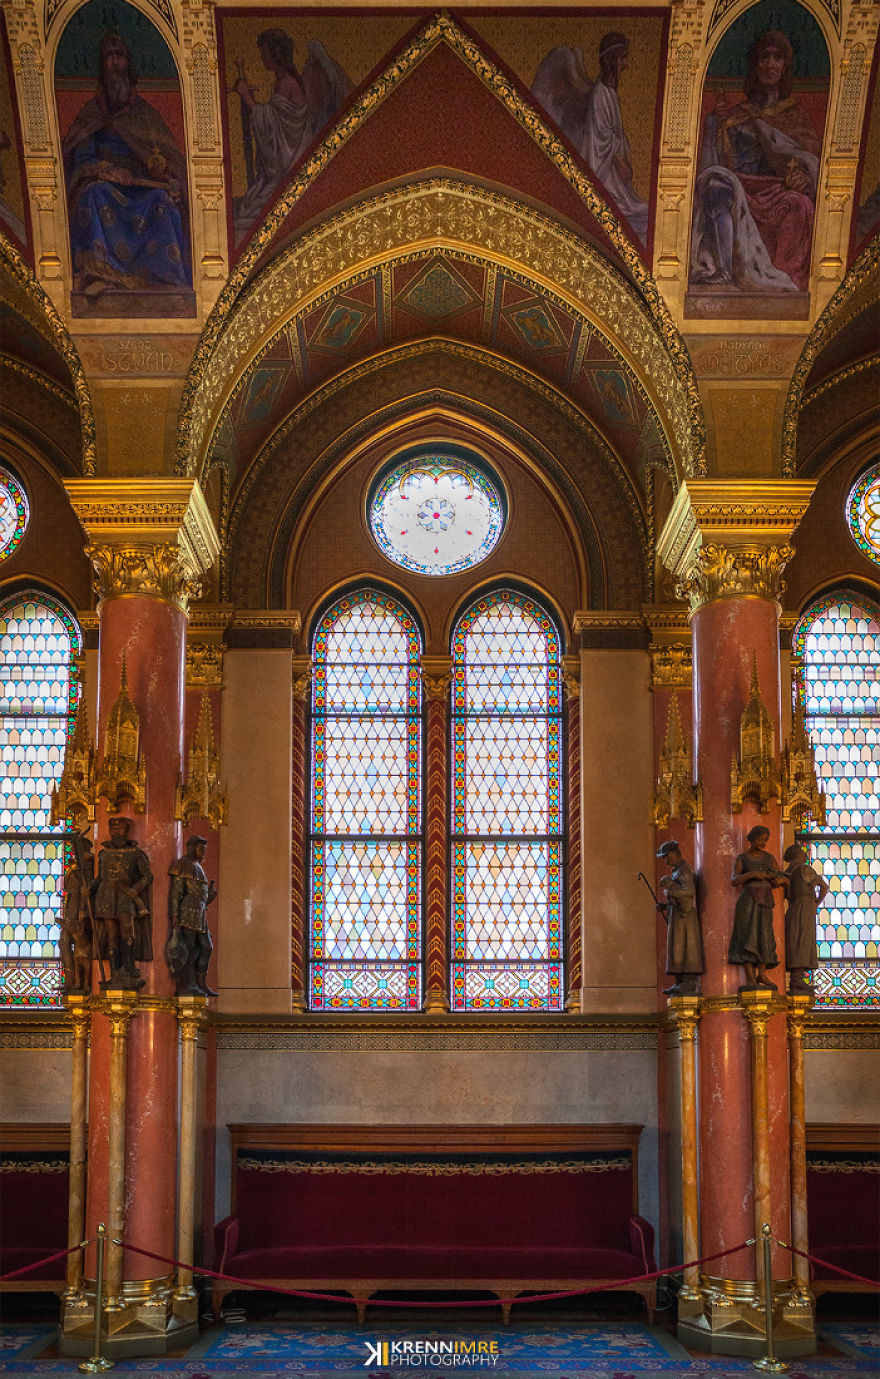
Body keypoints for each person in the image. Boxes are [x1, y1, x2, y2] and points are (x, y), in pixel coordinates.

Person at [61, 31, 191, 299]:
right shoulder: (92, 113)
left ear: (127, 64)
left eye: (119, 56)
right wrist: (105, 170)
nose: (115, 63)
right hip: (106, 186)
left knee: (163, 203)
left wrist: (159, 169)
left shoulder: (144, 115)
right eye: (109, 57)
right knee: (92, 194)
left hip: (141, 190)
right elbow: (80, 156)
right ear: (102, 66)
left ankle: (163, 281)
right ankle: (99, 276)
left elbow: (166, 161)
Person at [690, 29, 820, 293]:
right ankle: (725, 271)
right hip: (745, 188)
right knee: (715, 186)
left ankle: (785, 283)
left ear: (785, 66)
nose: (770, 64)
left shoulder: (794, 115)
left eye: (777, 57)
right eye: (764, 57)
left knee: (801, 204)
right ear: (755, 64)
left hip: (777, 192)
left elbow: (810, 160)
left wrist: (804, 176)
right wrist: (715, 124)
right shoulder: (738, 114)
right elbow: (716, 160)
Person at [232, 29, 351, 241]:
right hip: (283, 158)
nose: (261, 57)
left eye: (264, 53)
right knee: (251, 209)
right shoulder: (283, 81)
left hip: (291, 157)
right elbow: (275, 119)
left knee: (253, 213)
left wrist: (246, 97)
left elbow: (280, 126)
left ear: (275, 54)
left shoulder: (288, 83)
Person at [531, 32, 649, 244]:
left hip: (611, 169)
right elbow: (601, 137)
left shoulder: (609, 92)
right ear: (612, 59)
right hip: (603, 169)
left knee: (638, 210)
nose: (626, 64)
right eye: (623, 58)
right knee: (631, 212)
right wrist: (622, 165)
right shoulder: (601, 93)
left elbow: (614, 135)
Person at [90, 815, 152, 989]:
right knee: (112, 935)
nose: (116, 832)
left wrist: (136, 888)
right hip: (106, 896)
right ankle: (115, 972)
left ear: (126, 831)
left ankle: (129, 969)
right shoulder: (104, 854)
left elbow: (148, 876)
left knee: (127, 929)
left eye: (120, 829)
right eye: (113, 829)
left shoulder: (135, 854)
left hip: (125, 896)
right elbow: (99, 878)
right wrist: (90, 888)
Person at [728, 824, 787, 990]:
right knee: (747, 936)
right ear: (752, 839)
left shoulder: (769, 858)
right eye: (760, 839)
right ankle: (750, 977)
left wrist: (777, 880)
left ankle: (762, 973)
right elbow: (734, 880)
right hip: (747, 900)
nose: (763, 843)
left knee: (764, 935)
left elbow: (780, 877)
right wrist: (753, 874)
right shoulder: (742, 858)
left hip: (765, 900)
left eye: (765, 840)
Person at [166, 835, 217, 997]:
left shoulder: (198, 866)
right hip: (188, 911)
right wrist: (174, 914)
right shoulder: (183, 864)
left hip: (200, 912)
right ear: (192, 847)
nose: (204, 853)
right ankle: (185, 984)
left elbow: (200, 895)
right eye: (201, 848)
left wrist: (210, 896)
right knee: (188, 948)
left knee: (206, 946)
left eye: (205, 849)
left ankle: (200, 983)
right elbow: (176, 892)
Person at [657, 840, 704, 995]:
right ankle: (679, 982)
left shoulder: (684, 870)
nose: (665, 860)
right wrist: (665, 905)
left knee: (685, 948)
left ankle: (688, 983)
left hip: (685, 918)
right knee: (677, 949)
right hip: (677, 915)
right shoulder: (676, 871)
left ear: (675, 853)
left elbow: (689, 891)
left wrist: (670, 893)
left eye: (666, 856)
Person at [784, 843, 828, 994]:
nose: (805, 855)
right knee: (804, 940)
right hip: (805, 907)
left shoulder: (786, 873)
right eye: (803, 853)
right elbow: (824, 886)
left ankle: (795, 979)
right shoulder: (805, 869)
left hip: (792, 908)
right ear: (797, 855)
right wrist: (816, 903)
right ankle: (798, 979)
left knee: (794, 940)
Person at [60, 836, 94, 993]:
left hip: (80, 914)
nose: (74, 852)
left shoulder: (87, 867)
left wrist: (82, 911)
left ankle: (82, 982)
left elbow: (86, 891)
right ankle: (70, 979)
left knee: (80, 946)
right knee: (64, 942)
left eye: (76, 849)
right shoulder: (74, 868)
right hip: (70, 912)